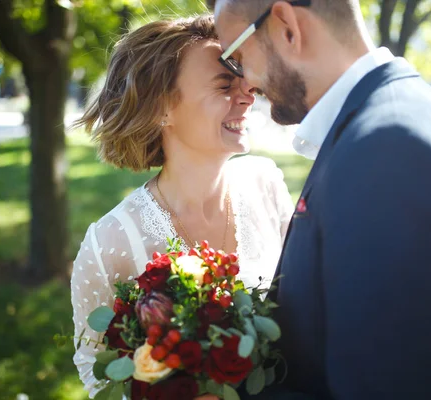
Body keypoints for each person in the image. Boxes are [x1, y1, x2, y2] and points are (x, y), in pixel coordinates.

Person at [211, 0, 431, 399]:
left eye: (237, 55)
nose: (244, 83)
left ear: (286, 27)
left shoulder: (390, 149)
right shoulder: (384, 122)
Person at [70, 15, 294, 398]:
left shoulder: (266, 184)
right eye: (225, 84)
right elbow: (97, 374)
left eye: (244, 80)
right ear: (162, 108)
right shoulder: (110, 243)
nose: (248, 93)